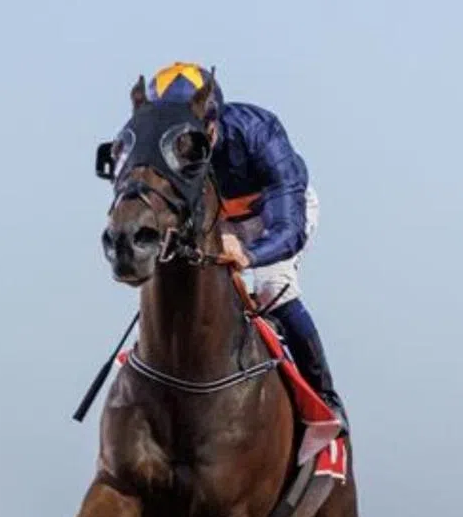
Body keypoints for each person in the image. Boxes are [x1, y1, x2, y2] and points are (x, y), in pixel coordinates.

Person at [145, 61, 347, 431]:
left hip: (278, 211)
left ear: (212, 122)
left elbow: (289, 228)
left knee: (272, 287)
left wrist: (250, 255)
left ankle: (326, 397)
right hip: (220, 219)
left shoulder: (258, 132)